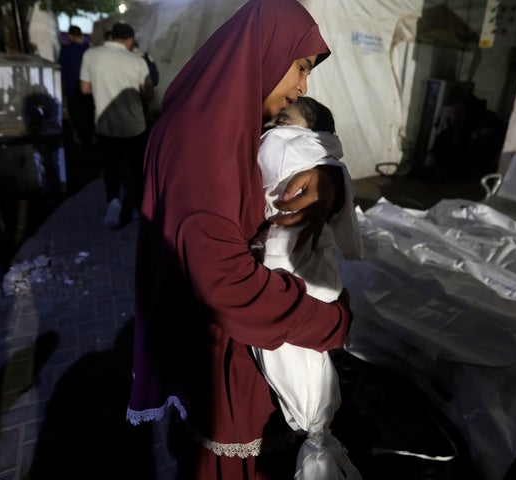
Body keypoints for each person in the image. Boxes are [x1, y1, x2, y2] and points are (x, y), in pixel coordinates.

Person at [125, 1, 353, 478]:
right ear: (266, 51)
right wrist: (329, 323)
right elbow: (225, 285)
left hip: (220, 345)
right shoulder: (200, 138)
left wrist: (327, 178)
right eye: (301, 67)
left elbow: (282, 171)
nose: (302, 87)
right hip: (224, 356)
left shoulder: (217, 122)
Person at [252, 97, 364, 479]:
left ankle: (311, 427)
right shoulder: (327, 165)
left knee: (296, 356)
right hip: (303, 283)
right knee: (303, 362)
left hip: (294, 274)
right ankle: (312, 428)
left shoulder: (290, 146)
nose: (273, 127)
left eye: (283, 120)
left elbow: (267, 162)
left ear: (312, 133)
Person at [80, 22, 153, 229]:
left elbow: (84, 89)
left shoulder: (91, 55)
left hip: (105, 125)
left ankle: (113, 202)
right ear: (129, 40)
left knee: (111, 168)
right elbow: (149, 94)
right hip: (134, 125)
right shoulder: (137, 60)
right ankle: (139, 208)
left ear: (111, 37)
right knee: (136, 169)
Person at [58, 25, 93, 149]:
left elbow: (62, 71)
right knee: (89, 115)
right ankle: (90, 140)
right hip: (89, 90)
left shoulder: (66, 50)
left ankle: (83, 142)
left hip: (73, 90)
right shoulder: (88, 50)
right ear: (81, 35)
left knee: (77, 118)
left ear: (70, 36)